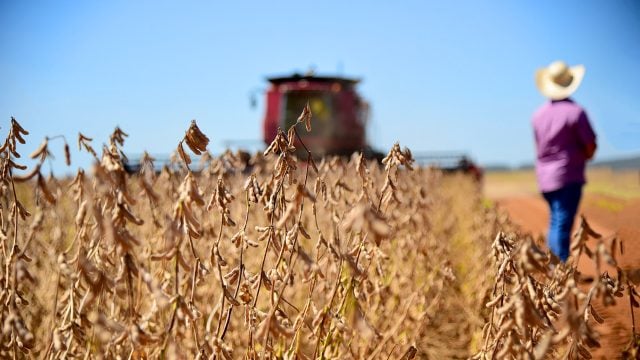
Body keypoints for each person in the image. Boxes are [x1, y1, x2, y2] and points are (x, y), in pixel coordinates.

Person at [532, 60, 597, 263]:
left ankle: (554, 265)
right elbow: (590, 144)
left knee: (556, 220)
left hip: (545, 178)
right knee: (562, 223)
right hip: (568, 176)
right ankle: (559, 268)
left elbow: (540, 146)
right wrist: (585, 156)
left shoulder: (538, 115)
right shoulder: (576, 112)